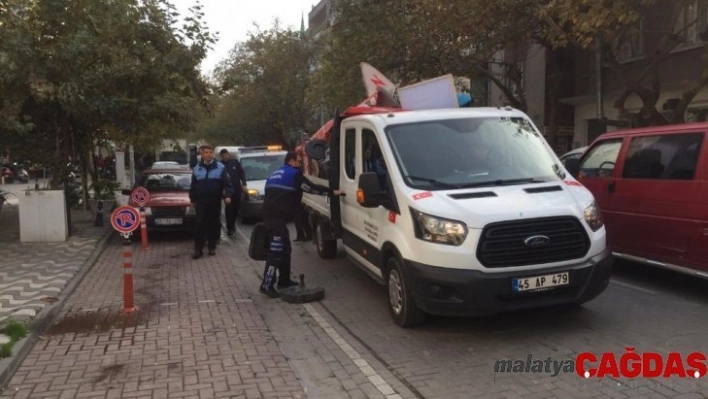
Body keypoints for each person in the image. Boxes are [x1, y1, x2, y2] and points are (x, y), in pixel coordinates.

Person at [259, 151, 343, 298]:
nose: (300, 165)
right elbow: (311, 188)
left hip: (272, 216)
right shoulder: (294, 174)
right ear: (291, 161)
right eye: (298, 161)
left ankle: (284, 281)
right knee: (276, 251)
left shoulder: (275, 173)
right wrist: (332, 192)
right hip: (275, 219)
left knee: (286, 249)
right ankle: (266, 285)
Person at [189, 145, 234, 259]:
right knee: (199, 224)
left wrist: (228, 195)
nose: (209, 154)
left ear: (213, 154)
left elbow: (228, 183)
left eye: (210, 152)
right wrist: (192, 199)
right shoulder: (197, 168)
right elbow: (193, 185)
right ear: (202, 154)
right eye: (206, 152)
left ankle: (211, 246)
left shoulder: (220, 167)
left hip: (214, 201)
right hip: (201, 201)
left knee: (213, 224)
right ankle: (198, 249)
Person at [219, 149, 248, 236]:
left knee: (236, 208)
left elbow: (242, 173)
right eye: (223, 156)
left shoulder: (235, 162)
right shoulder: (220, 165)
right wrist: (222, 189)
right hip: (227, 191)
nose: (225, 157)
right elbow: (219, 178)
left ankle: (233, 224)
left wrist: (244, 184)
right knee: (229, 209)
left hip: (237, 189)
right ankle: (229, 227)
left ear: (228, 155)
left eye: (226, 155)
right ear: (221, 156)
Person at [293, 155, 312, 242]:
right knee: (300, 219)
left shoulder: (298, 171)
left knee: (302, 219)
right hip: (298, 199)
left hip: (299, 199)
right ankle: (304, 235)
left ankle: (306, 235)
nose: (299, 163)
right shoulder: (297, 171)